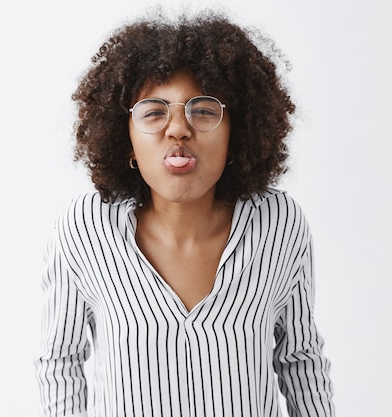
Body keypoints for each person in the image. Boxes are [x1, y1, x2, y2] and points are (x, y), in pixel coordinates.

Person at [34, 9, 334, 417]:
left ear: (238, 131)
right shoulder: (86, 230)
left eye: (204, 111)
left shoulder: (279, 225)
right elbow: (60, 362)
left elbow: (301, 360)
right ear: (124, 138)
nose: (178, 129)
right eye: (155, 112)